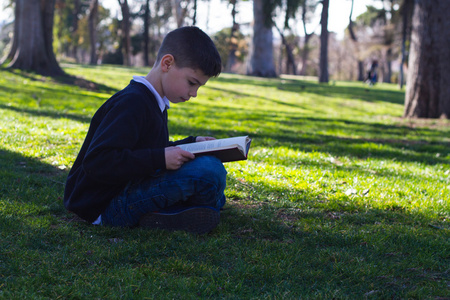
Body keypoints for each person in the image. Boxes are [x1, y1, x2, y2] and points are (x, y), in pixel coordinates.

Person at [64, 26, 227, 234]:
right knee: (207, 173)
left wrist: (191, 143)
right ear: (167, 63)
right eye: (191, 83)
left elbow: (147, 149)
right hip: (105, 204)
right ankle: (182, 211)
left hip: (127, 188)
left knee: (211, 167)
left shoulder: (155, 102)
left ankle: (187, 210)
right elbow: (97, 161)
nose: (194, 93)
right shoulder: (133, 102)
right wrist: (159, 159)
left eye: (198, 87)